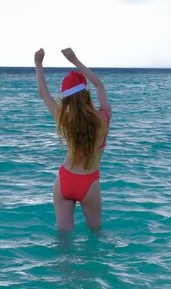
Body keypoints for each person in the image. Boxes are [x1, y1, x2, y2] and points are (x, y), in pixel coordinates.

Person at [35, 48, 112, 231]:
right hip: (89, 181)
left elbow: (43, 94)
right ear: (86, 94)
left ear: (66, 99)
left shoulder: (64, 118)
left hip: (65, 179)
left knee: (63, 238)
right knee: (96, 234)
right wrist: (75, 60)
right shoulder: (104, 117)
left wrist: (38, 64)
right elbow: (99, 85)